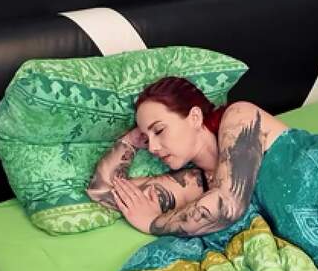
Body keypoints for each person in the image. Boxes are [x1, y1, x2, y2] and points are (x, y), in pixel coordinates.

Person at [87, 76, 288, 236]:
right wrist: (131, 141)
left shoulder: (240, 116)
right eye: (146, 139)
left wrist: (152, 223)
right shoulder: (195, 184)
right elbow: (103, 191)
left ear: (195, 117)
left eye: (159, 130)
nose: (153, 148)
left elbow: (227, 204)